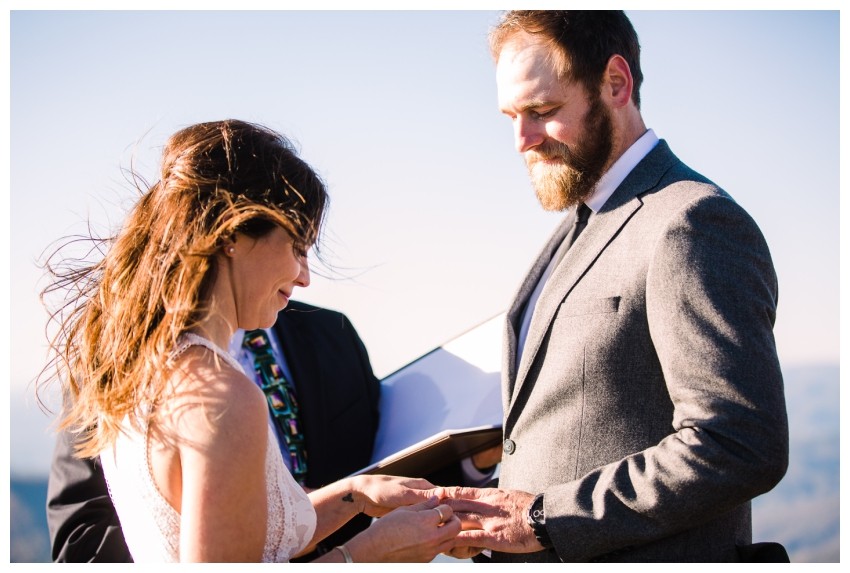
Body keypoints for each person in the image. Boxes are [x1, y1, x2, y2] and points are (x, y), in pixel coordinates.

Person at [439, 11, 789, 562]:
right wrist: (480, 511)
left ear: (616, 83)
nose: (521, 140)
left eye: (543, 111)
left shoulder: (693, 221)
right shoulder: (573, 229)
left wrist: (542, 521)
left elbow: (740, 442)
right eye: (511, 115)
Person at [40, 119, 459, 562]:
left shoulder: (141, 364)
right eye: (298, 246)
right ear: (231, 236)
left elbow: (240, 532)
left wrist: (353, 493)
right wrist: (371, 552)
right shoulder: (224, 396)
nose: (305, 276)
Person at [46, 299, 382, 562]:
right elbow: (80, 541)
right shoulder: (120, 363)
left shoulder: (333, 332)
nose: (304, 273)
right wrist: (362, 556)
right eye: (295, 244)